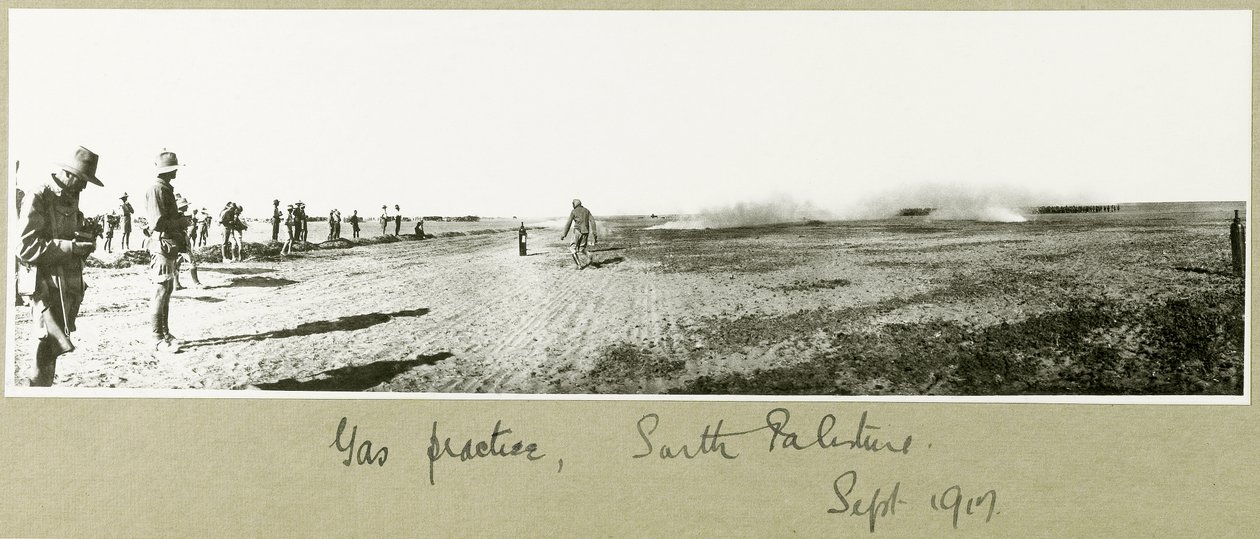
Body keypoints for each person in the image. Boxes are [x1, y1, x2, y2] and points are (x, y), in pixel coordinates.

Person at [16, 146, 103, 385]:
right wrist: (71, 247)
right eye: (82, 180)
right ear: (68, 174)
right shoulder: (39, 196)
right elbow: (25, 248)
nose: (84, 187)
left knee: (53, 349)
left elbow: (67, 236)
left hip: (66, 288)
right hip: (45, 287)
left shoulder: (71, 197)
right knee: (45, 346)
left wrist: (84, 241)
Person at [146, 150, 187, 352]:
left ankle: (165, 333)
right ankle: (156, 338)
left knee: (167, 290)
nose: (176, 172)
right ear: (167, 170)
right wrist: (181, 221)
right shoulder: (157, 189)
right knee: (160, 291)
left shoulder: (164, 188)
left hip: (169, 246)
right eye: (174, 169)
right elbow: (157, 223)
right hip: (162, 245)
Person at [172, 194, 201, 290]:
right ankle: (196, 283)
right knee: (192, 261)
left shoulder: (174, 216)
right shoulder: (182, 217)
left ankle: (176, 284)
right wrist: (193, 216)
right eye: (186, 206)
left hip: (175, 240)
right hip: (183, 240)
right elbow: (191, 225)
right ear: (183, 207)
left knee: (176, 262)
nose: (187, 207)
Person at [560, 198, 598, 270]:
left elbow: (569, 223)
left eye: (573, 204)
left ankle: (579, 265)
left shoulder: (574, 211)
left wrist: (564, 234)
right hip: (586, 231)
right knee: (582, 248)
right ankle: (589, 254)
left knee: (572, 248)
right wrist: (594, 232)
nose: (572, 205)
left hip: (577, 231)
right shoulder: (586, 210)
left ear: (575, 204)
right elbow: (592, 221)